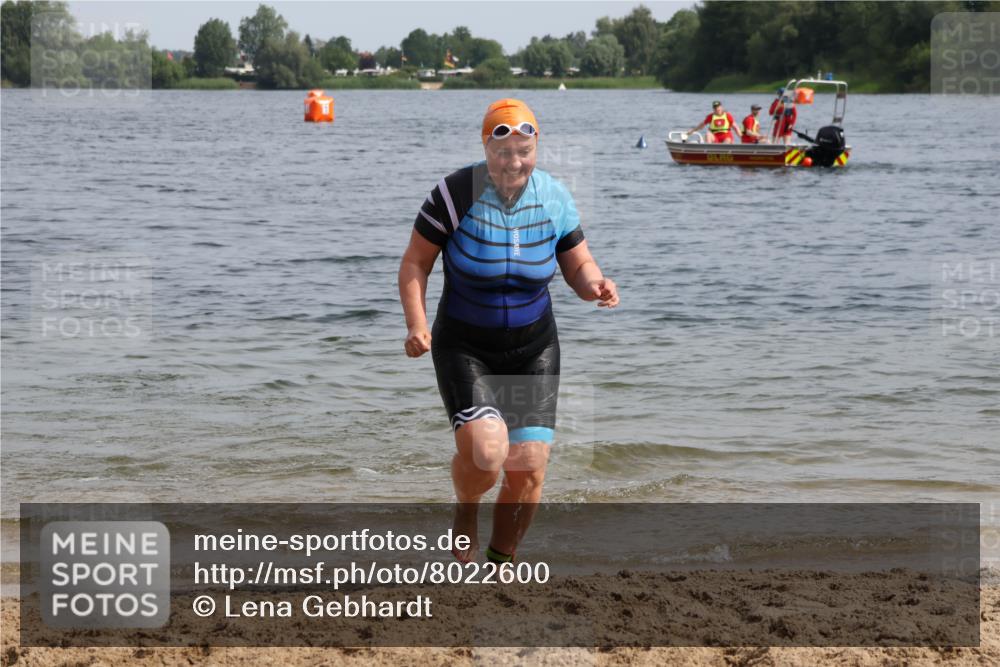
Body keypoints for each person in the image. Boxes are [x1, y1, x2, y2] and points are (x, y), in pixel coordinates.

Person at [398, 98, 619, 565]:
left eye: (524, 150)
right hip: (465, 345)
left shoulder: (555, 196)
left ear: (536, 146)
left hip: (533, 346)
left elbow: (577, 261)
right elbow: (416, 263)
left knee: (529, 467)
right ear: (486, 147)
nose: (513, 162)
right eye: (502, 152)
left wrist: (595, 285)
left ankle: (501, 562)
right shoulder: (455, 193)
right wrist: (417, 325)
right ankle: (466, 507)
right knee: (487, 454)